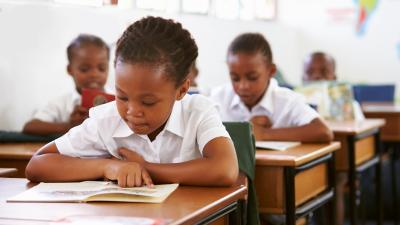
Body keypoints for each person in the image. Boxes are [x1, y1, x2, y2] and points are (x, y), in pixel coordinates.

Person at [25, 16, 238, 188]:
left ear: (181, 90)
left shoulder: (197, 111)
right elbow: (37, 165)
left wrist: (145, 167)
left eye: (148, 102)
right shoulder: (107, 120)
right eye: (122, 97)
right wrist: (109, 167)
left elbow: (225, 169)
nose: (132, 112)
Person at [209, 33, 333, 142]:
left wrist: (264, 134)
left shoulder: (287, 102)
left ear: (271, 71)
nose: (243, 86)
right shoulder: (218, 98)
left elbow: (323, 131)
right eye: (235, 78)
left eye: (252, 77)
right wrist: (244, 131)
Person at [22, 34, 110, 135]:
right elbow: (30, 127)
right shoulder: (60, 104)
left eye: (102, 68)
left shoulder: (119, 100)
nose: (94, 75)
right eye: (84, 69)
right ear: (70, 70)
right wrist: (69, 126)